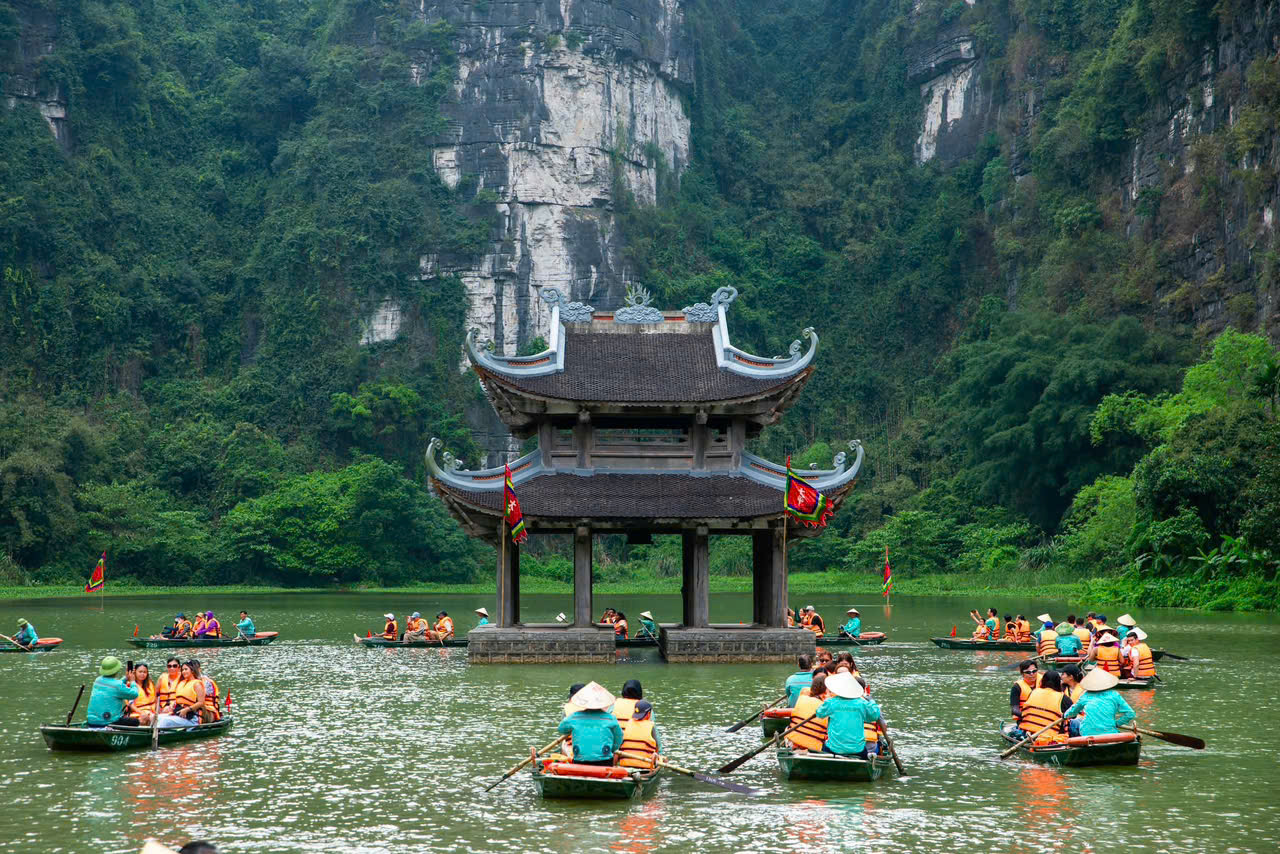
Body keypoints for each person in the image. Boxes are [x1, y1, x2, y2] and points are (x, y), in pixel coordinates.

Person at [814, 671, 881, 758]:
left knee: (823, 747)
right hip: (857, 749)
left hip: (834, 749)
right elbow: (875, 714)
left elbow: (819, 713)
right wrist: (870, 700)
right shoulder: (861, 703)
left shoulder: (831, 702)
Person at [557, 682, 623, 765]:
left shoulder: (574, 717)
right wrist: (612, 749)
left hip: (579, 761)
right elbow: (619, 737)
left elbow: (561, 729)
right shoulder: (610, 718)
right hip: (605, 761)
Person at [1064, 668, 1136, 736]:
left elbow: (1072, 711)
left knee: (1074, 723)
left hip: (1087, 734)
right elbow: (1130, 714)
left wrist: (1064, 716)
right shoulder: (1114, 695)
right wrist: (1116, 724)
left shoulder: (1086, 696)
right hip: (1110, 732)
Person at [1014, 668, 1072, 742]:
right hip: (1050, 734)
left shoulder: (1034, 692)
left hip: (1027, 730)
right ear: (1058, 682)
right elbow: (1073, 715)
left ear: (1043, 681)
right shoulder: (1064, 698)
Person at [86, 656, 141, 727]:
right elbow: (134, 694)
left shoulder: (97, 680)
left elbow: (113, 687)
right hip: (109, 721)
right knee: (135, 721)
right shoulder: (117, 685)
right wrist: (132, 681)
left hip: (91, 721)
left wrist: (126, 678)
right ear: (116, 670)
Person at [787, 672, 830, 751]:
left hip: (794, 742)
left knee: (787, 729)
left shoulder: (802, 697)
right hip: (815, 747)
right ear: (826, 691)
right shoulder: (828, 706)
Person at [618, 700, 664, 769]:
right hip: (645, 766)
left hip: (625, 765)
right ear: (648, 714)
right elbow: (657, 748)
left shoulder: (629, 723)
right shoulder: (650, 726)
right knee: (660, 757)